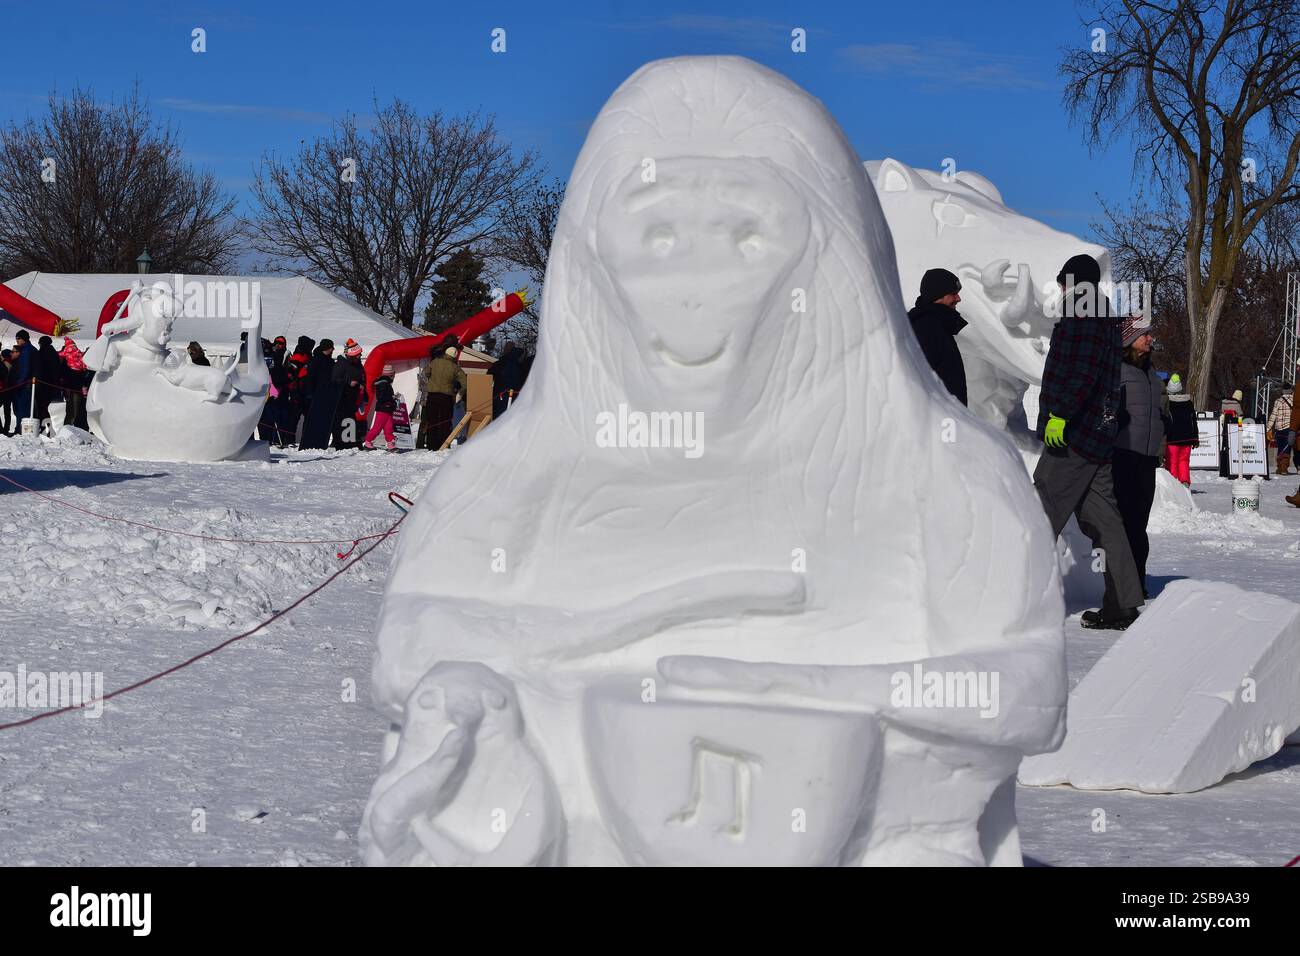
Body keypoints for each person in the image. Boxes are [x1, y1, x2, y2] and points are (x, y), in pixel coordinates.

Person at [1031, 253, 1144, 630]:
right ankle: (1123, 603)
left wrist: (1060, 413)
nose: (1060, 288)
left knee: (1038, 510)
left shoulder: (1082, 313)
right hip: (1098, 434)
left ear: (1074, 282)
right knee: (1105, 520)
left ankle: (1010, 599)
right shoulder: (1105, 316)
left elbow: (1080, 370)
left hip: (1073, 436)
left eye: (1063, 281)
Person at [1111, 318, 1166, 598]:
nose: (1150, 338)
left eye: (1149, 334)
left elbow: (1157, 411)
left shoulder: (1151, 372)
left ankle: (1137, 581)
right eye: (1144, 334)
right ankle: (1121, 584)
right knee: (1124, 521)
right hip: (1123, 454)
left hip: (1146, 458)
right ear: (1129, 339)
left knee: (1139, 523)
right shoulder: (1116, 369)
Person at [906, 267, 968, 405]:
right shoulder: (924, 327)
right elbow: (917, 380)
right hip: (938, 419)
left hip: (950, 417)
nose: (958, 298)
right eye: (953, 293)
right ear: (937, 295)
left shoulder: (938, 324)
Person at [422, 335, 467, 450]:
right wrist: (460, 394)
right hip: (446, 397)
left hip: (432, 396)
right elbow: (465, 383)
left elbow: (425, 372)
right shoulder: (455, 367)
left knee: (432, 421)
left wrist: (431, 380)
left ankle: (431, 446)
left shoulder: (435, 361)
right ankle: (442, 445)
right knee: (444, 422)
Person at [298, 339, 339, 450]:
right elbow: (310, 378)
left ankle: (319, 441)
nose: (333, 350)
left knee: (322, 420)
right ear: (327, 348)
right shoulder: (316, 361)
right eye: (331, 347)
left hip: (325, 395)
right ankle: (306, 441)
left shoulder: (329, 362)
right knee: (310, 420)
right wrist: (310, 393)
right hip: (315, 395)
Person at [1164, 373, 1198, 487]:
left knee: (1172, 462)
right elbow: (1193, 421)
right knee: (1184, 461)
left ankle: (1172, 484)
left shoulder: (1167, 403)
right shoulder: (1188, 402)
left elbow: (1165, 421)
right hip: (1187, 439)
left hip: (1172, 439)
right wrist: (1195, 438)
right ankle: (1184, 482)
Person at [331, 342, 365, 449]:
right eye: (358, 354)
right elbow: (334, 379)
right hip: (341, 398)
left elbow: (363, 377)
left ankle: (351, 443)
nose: (360, 356)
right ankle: (339, 443)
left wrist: (362, 385)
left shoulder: (358, 365)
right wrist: (349, 382)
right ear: (352, 355)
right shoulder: (341, 364)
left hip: (353, 398)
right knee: (340, 421)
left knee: (350, 420)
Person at [363, 364, 399, 451]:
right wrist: (392, 398)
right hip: (383, 408)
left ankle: (390, 443)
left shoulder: (385, 383)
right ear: (390, 375)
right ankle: (368, 441)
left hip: (387, 408)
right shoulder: (383, 384)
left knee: (389, 427)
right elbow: (382, 397)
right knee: (377, 427)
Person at [489, 341, 526, 420]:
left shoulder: (500, 363)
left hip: (499, 395)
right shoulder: (519, 366)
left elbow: (489, 376)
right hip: (510, 396)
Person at [59, 338, 90, 430]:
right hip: (78, 387)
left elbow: (64, 373)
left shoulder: (65, 359)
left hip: (70, 387)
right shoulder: (81, 357)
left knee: (71, 410)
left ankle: (68, 428)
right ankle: (74, 428)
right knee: (76, 409)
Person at [1218, 388, 1245, 477]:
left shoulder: (1224, 403)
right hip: (1233, 428)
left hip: (1225, 427)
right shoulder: (1237, 405)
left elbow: (1222, 413)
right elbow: (1240, 415)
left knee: (1225, 446)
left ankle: (1224, 466)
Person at [1268, 384, 1294, 475]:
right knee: (1287, 448)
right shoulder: (1295, 400)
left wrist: (1268, 428)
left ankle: (1280, 467)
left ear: (1282, 391)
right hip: (1290, 428)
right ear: (1291, 390)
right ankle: (1283, 468)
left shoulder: (1278, 401)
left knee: (1280, 447)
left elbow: (1273, 415)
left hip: (1279, 428)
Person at [9, 330, 33, 423]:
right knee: (20, 410)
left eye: (18, 338)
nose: (17, 340)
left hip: (24, 386)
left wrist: (19, 382)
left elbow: (25, 368)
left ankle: (20, 430)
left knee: (22, 410)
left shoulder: (26, 350)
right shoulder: (27, 349)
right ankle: (18, 428)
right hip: (23, 385)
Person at [0, 347, 12, 435]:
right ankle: (6, 428)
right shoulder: (12, 362)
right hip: (9, 389)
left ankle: (1, 429)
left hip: (3, 390)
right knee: (7, 410)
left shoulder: (4, 364)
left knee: (6, 410)